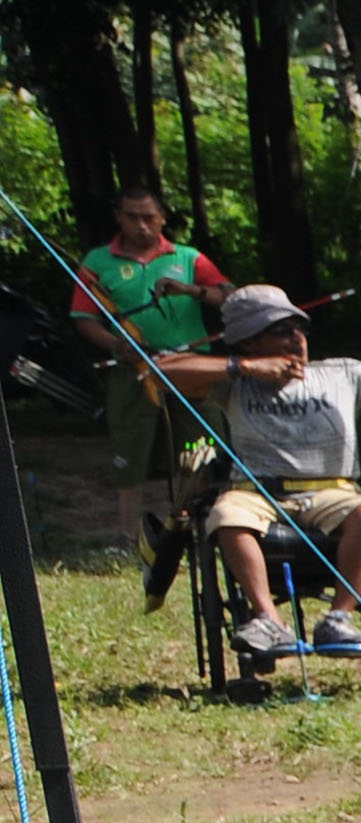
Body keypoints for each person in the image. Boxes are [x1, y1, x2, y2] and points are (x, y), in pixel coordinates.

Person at [152, 286, 361, 667]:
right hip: (255, 492)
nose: (297, 338)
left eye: (298, 329)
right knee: (227, 516)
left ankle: (338, 619)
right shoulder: (233, 381)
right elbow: (157, 373)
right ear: (250, 343)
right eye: (282, 331)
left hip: (332, 492)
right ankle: (267, 619)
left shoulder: (343, 374)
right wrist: (245, 368)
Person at [69, 185, 231, 593]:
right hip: (133, 369)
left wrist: (189, 290)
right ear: (118, 218)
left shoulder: (189, 258)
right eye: (131, 217)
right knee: (131, 450)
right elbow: (83, 317)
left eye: (149, 217)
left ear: (162, 219)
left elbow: (230, 297)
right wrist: (116, 345)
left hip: (190, 366)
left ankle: (202, 531)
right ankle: (127, 539)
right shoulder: (97, 261)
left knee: (200, 448)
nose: (141, 225)